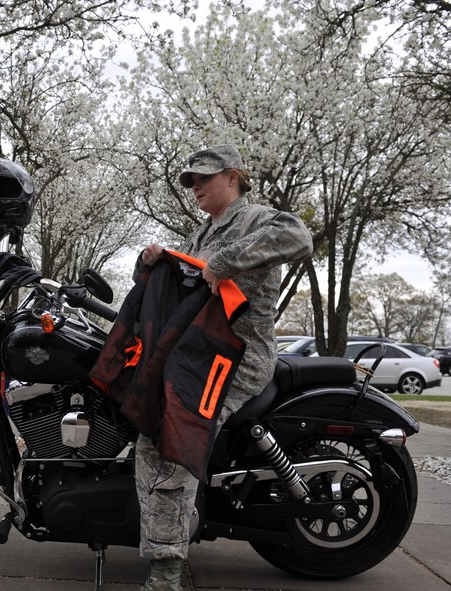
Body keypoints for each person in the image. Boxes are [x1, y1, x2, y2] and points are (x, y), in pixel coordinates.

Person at [134, 144, 313, 590]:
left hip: (237, 358)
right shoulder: (204, 233)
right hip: (199, 352)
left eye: (203, 179)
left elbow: (299, 237)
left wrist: (226, 261)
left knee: (168, 438)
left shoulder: (255, 219)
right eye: (190, 181)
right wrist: (152, 262)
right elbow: (187, 285)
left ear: (232, 177)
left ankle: (165, 575)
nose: (195, 187)